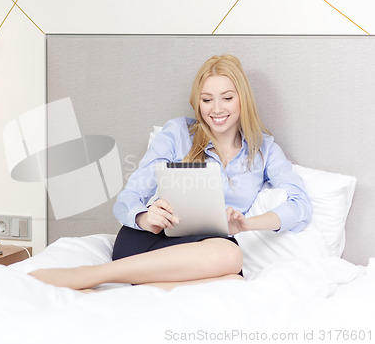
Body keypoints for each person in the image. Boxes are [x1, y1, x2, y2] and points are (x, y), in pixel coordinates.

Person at [29, 55, 312, 291]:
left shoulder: (264, 149)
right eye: (206, 100)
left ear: (243, 99)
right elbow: (129, 197)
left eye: (227, 97)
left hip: (205, 249)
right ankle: (92, 275)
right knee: (230, 258)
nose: (216, 109)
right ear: (197, 103)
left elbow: (300, 206)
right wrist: (143, 216)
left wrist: (246, 224)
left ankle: (123, 287)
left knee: (231, 277)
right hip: (152, 238)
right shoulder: (178, 133)